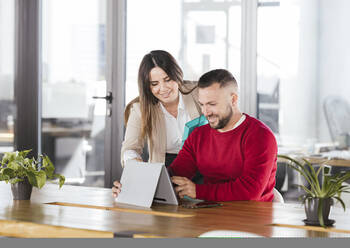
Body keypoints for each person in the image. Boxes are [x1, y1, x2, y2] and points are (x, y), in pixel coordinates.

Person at [169, 69, 277, 202]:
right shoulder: (198, 135)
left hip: (252, 217)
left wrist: (198, 191)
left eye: (212, 104)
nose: (205, 112)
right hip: (210, 213)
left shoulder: (260, 136)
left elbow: (249, 192)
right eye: (202, 104)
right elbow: (175, 174)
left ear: (233, 99)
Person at [112, 50, 201, 197]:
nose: (163, 88)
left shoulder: (198, 92)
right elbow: (130, 148)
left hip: (204, 166)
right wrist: (135, 167)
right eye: (155, 84)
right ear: (147, 86)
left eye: (168, 79)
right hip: (166, 171)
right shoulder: (139, 108)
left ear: (177, 75)